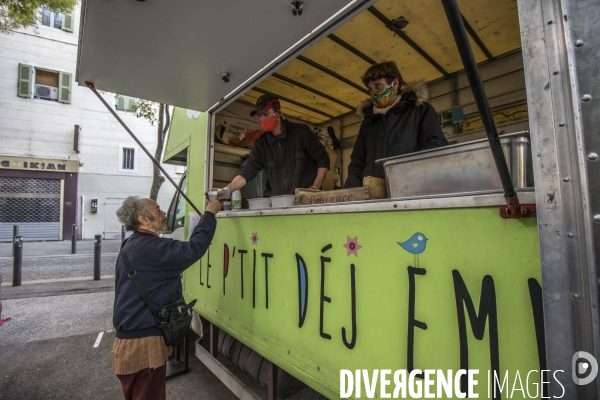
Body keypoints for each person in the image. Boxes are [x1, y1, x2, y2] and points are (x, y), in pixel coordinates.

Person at [112, 196, 221, 400]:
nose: (163, 213)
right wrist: (210, 214)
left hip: (128, 342)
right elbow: (193, 249)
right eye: (158, 209)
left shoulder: (131, 245)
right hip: (143, 347)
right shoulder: (152, 248)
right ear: (144, 219)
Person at [344, 61, 448, 188]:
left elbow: (435, 145)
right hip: (372, 192)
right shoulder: (369, 120)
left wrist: (408, 173)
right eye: (370, 89)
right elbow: (357, 159)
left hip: (409, 189)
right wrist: (352, 188)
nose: (374, 93)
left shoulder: (419, 110)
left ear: (396, 83)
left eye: (378, 86)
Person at [212, 94, 330, 200]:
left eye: (266, 114)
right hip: (282, 204)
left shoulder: (300, 133)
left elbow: (323, 158)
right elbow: (247, 170)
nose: (262, 119)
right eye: (260, 116)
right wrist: (227, 190)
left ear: (278, 113)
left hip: (307, 203)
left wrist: (315, 187)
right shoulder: (261, 144)